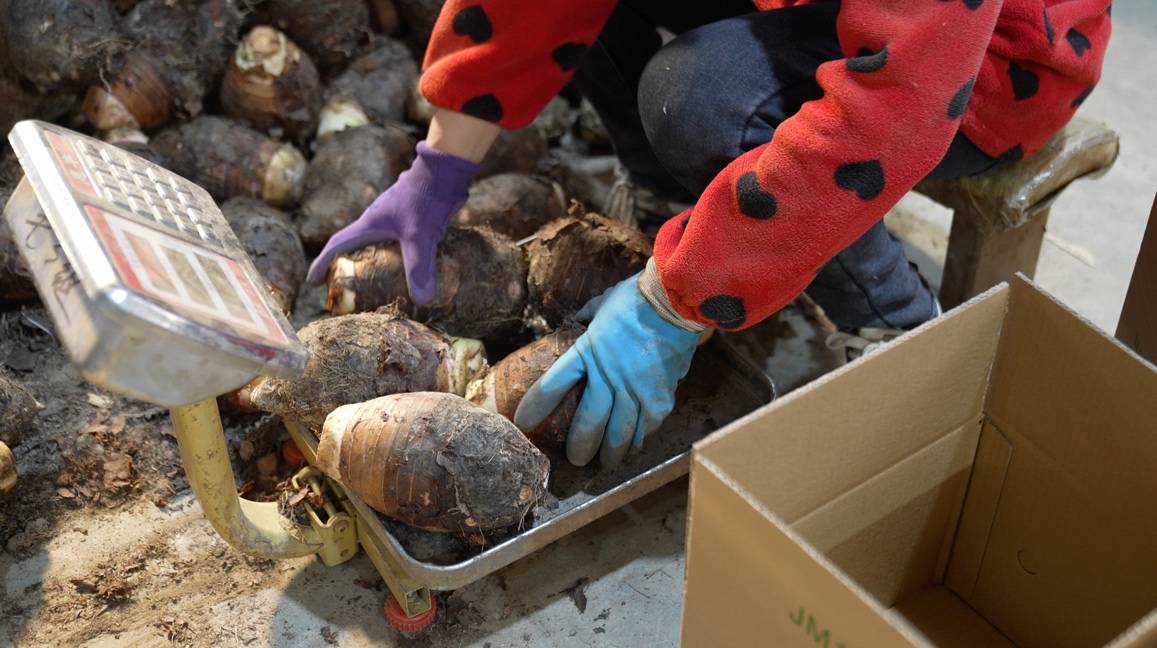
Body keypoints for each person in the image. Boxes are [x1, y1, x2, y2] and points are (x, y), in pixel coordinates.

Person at [307, 0, 1111, 468]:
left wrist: (673, 304)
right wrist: (441, 163)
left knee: (697, 100)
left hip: (990, 60)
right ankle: (680, 202)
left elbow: (893, 110)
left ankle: (892, 317)